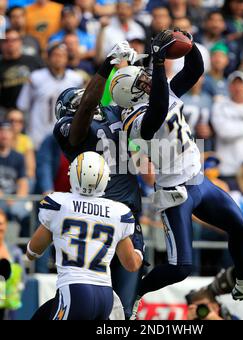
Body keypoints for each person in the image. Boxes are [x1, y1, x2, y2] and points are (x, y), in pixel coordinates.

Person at [109, 29, 243, 319]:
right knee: (180, 268)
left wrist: (187, 43)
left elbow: (196, 68)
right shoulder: (133, 120)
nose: (147, 78)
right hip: (175, 193)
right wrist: (160, 64)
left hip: (199, 181)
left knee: (241, 226)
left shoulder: (162, 91)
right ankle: (135, 292)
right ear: (130, 92)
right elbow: (159, 108)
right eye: (140, 80)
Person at [53, 41, 145, 318]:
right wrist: (106, 65)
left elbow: (133, 93)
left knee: (125, 311)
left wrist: (133, 67)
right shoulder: (68, 128)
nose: (88, 100)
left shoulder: (112, 112)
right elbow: (88, 105)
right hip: (94, 220)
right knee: (80, 306)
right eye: (80, 99)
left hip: (126, 217)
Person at [27, 151, 143, 320]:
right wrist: (139, 249)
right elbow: (131, 265)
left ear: (73, 174)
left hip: (74, 290)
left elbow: (33, 252)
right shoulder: (119, 212)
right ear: (105, 179)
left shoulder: (59, 204)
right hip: (105, 296)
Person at [17, 42, 83, 150]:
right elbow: (23, 105)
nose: (58, 59)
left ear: (67, 59)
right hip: (39, 132)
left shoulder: (76, 79)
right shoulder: (36, 78)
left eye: (62, 55)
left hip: (65, 134)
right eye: (55, 55)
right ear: (48, 58)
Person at [0, 28, 43, 111]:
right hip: (6, 112)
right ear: (1, 44)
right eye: (6, 41)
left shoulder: (34, 61)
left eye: (14, 40)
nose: (10, 44)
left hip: (32, 110)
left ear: (20, 42)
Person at [0, 209, 24, 320]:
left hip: (9, 308)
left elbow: (23, 279)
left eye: (1, 224)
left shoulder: (15, 252)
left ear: (5, 225)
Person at [5, 109, 35, 192]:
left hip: (18, 179)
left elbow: (30, 170)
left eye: (19, 121)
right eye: (11, 120)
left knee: (30, 181)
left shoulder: (26, 141)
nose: (15, 124)